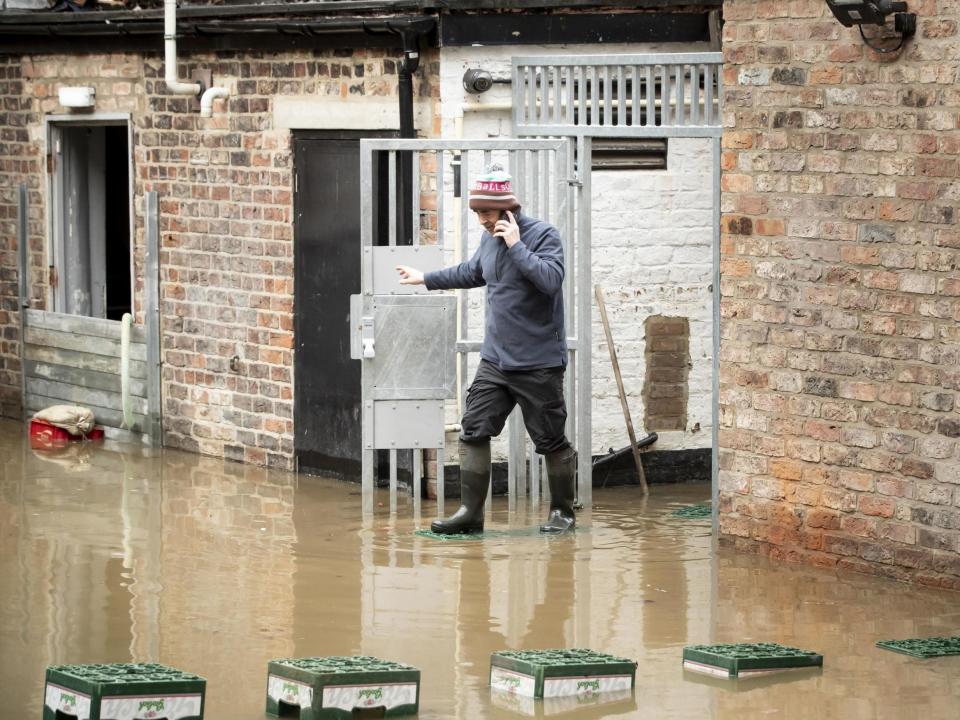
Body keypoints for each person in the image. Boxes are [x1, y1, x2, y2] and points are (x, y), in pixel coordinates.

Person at [395, 164, 576, 534]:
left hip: (537, 363)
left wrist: (516, 245)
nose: (481, 220)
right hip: (496, 361)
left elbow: (550, 281)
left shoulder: (543, 236)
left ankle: (562, 512)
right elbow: (473, 272)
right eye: (477, 212)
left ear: (508, 208)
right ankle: (470, 514)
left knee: (550, 439)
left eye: (487, 213)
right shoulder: (488, 239)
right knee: (473, 429)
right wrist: (426, 278)